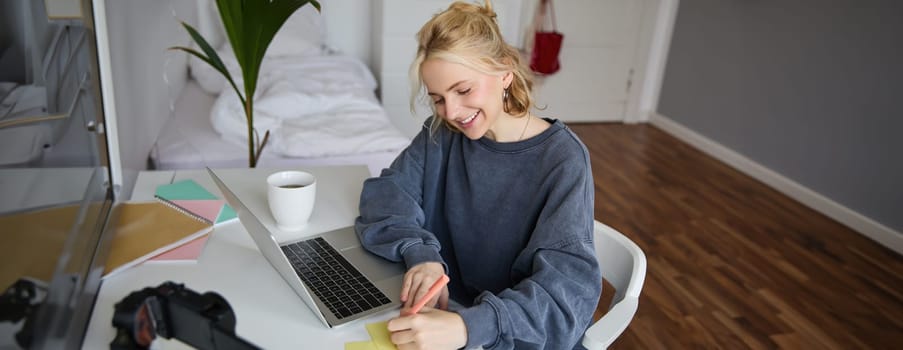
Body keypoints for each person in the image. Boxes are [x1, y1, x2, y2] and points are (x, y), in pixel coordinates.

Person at [354, 1, 601, 349]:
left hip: (512, 334)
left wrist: (468, 328)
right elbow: (387, 194)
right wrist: (421, 255)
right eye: (438, 99)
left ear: (504, 72)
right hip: (445, 314)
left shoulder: (562, 159)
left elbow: (566, 296)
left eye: (463, 90)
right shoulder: (440, 134)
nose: (452, 112)